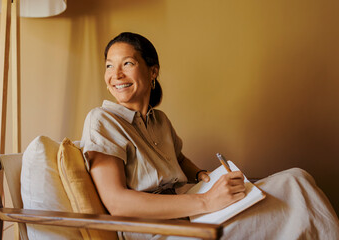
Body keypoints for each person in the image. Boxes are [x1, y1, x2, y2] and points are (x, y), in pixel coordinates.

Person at [80, 32, 339, 240]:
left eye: (127, 63)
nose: (116, 75)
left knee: (297, 178)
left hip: (191, 206)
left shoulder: (160, 120)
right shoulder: (102, 120)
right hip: (162, 229)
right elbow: (116, 202)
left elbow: (179, 159)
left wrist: (200, 174)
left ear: (153, 71)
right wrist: (206, 201)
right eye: (109, 66)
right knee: (295, 207)